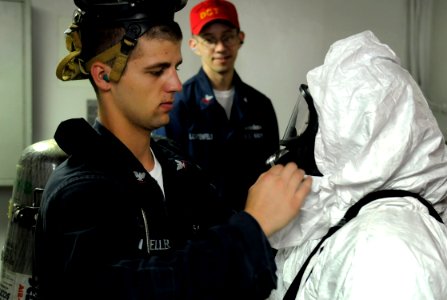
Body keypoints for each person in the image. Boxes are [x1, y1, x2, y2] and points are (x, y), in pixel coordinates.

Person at [34, 1, 312, 300]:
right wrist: (252, 225)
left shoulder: (179, 169)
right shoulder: (79, 193)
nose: (176, 84)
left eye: (176, 68)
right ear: (103, 76)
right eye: (157, 71)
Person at [266, 30, 447, 300]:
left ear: (353, 136)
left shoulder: (388, 250)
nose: (302, 140)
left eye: (315, 125)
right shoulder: (351, 215)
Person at [154, 0, 280, 211]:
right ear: (194, 45)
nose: (220, 48)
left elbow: (272, 173)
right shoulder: (177, 104)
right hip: (198, 231)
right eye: (210, 40)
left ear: (240, 39)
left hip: (251, 226)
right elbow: (165, 176)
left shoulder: (260, 105)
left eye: (227, 37)